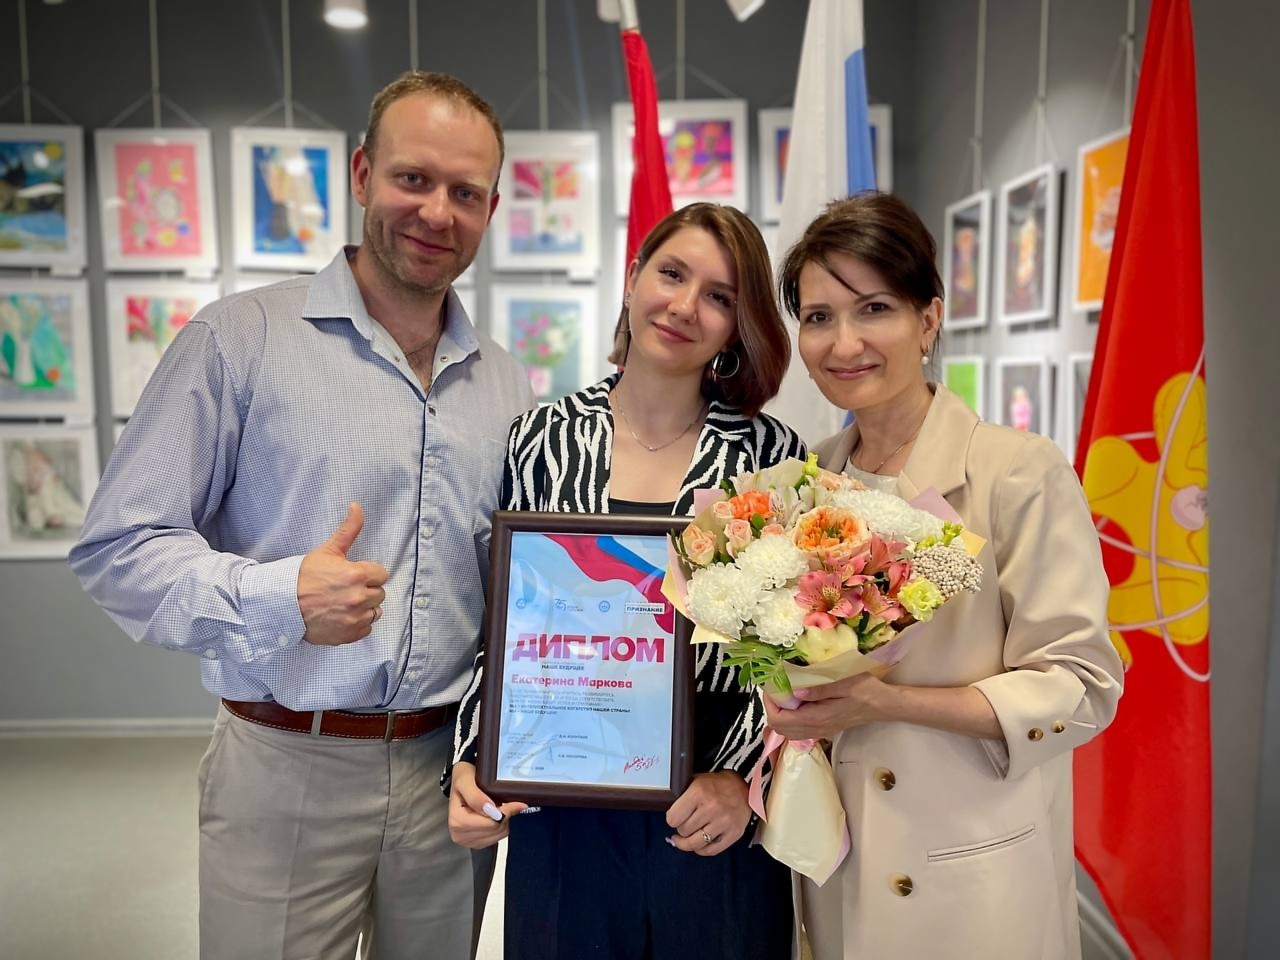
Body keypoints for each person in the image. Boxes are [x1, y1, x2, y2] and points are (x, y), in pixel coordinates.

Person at [69, 71, 533, 960]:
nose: (437, 212)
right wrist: (280, 597)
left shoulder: (508, 386)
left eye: (465, 192)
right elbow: (118, 547)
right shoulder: (239, 340)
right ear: (361, 174)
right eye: (413, 178)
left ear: (491, 208)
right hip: (285, 767)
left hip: (446, 777)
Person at [767, 192, 1123, 960]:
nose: (844, 342)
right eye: (819, 317)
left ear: (928, 320)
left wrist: (886, 703)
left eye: (874, 309)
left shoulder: (1015, 472)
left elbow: (1083, 687)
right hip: (842, 870)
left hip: (972, 880)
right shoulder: (808, 483)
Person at [447, 203, 806, 960]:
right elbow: (504, 621)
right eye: (672, 274)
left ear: (737, 326)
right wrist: (474, 755)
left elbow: (789, 650)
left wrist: (744, 781)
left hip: (709, 799)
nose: (685, 306)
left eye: (719, 296)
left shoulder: (770, 453)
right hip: (565, 787)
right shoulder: (542, 438)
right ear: (634, 277)